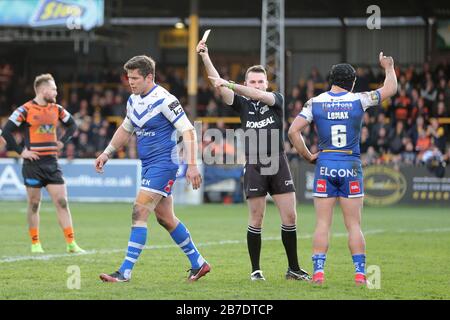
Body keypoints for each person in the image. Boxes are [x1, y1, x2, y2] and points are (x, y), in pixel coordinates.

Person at [197, 40, 310, 281]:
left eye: (261, 81)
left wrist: (229, 83)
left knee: (290, 217)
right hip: (255, 164)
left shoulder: (276, 99)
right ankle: (256, 270)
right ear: (246, 83)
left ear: (267, 84)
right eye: (253, 81)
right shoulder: (242, 104)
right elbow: (221, 87)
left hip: (278, 161)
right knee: (256, 218)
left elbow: (241, 90)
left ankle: (293, 268)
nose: (257, 85)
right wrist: (206, 57)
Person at [95, 55, 210, 282]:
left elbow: (188, 131)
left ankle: (124, 272)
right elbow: (126, 129)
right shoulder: (133, 100)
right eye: (129, 78)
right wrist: (107, 152)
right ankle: (199, 263)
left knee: (139, 212)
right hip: (148, 166)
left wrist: (193, 165)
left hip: (164, 164)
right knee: (166, 218)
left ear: (149, 77)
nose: (131, 82)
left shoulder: (165, 100)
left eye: (135, 78)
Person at [288, 52, 397, 285]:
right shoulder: (360, 99)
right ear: (353, 82)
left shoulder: (315, 102)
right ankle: (360, 275)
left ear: (331, 80)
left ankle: (318, 274)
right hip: (350, 164)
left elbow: (292, 131)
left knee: (322, 224)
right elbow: (390, 90)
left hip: (326, 164)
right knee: (354, 225)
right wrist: (388, 67)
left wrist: (308, 156)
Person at [0, 74, 84, 253]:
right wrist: (22, 151)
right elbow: (6, 131)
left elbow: (73, 125)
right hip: (33, 165)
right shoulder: (25, 110)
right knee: (34, 204)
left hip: (51, 163)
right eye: (54, 89)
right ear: (43, 90)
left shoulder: (57, 109)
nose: (56, 92)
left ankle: (71, 243)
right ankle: (35, 243)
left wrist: (63, 141)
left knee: (62, 201)